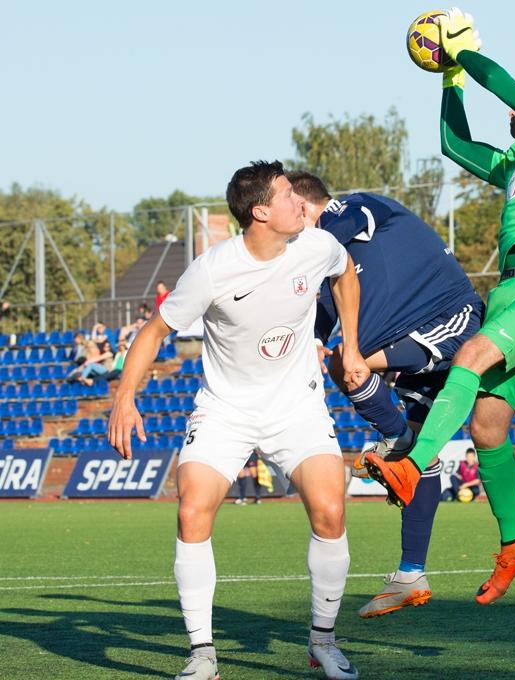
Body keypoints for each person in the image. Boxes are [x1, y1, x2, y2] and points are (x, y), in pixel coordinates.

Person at [364, 10, 515, 606]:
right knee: (488, 428)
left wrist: (464, 50)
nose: (513, 112)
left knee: (466, 356)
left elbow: (507, 86)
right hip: (514, 291)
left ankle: (414, 465)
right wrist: (448, 79)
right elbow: (453, 144)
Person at [106, 161, 363, 680]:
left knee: (331, 510)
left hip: (297, 406)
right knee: (191, 511)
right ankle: (202, 655)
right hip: (226, 409)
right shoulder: (211, 270)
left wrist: (350, 344)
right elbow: (155, 332)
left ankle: (323, 641)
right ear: (261, 211)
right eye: (290, 195)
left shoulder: (316, 245)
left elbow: (346, 275)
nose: (302, 203)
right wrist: (123, 398)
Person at [289, 171, 484, 619]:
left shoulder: (355, 207)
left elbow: (343, 223)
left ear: (303, 207)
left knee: (349, 363)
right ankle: (411, 573)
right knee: (421, 456)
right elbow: (313, 320)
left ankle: (395, 437)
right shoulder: (328, 272)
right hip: (407, 343)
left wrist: (293, 257)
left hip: (449, 318)